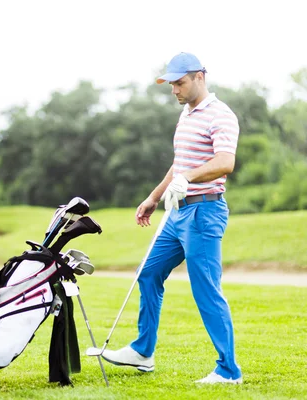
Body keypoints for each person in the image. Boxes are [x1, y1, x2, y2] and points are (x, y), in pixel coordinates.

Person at [101, 52, 243, 384]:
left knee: (206, 288)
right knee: (148, 273)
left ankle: (228, 370)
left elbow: (225, 161)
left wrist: (189, 178)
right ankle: (143, 351)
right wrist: (153, 197)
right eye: (171, 84)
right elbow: (179, 165)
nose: (174, 90)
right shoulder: (186, 115)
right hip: (177, 211)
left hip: (204, 211)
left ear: (199, 77)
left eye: (180, 83)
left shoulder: (221, 115)